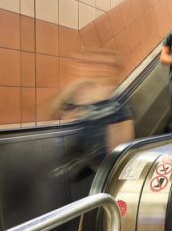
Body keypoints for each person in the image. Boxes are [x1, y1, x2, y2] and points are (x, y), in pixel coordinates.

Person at [48, 49, 135, 177]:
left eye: (100, 66)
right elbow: (53, 114)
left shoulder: (118, 102)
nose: (93, 69)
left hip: (102, 170)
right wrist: (70, 92)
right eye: (89, 64)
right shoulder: (80, 94)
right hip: (79, 164)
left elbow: (121, 148)